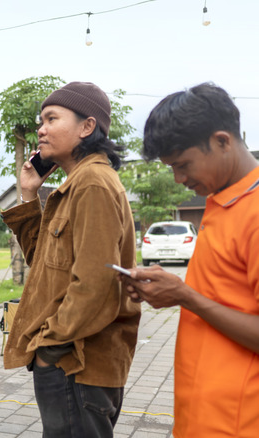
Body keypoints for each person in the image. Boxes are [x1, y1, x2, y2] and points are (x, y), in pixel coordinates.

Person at [0, 81, 141, 437]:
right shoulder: (75, 185)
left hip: (77, 363)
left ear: (86, 127)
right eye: (40, 121)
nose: (41, 129)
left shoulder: (92, 183)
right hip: (72, 362)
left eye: (51, 119)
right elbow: (45, 265)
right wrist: (29, 193)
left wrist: (50, 344)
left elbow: (96, 283)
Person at [121, 83, 259, 437]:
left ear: (222, 141)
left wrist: (186, 296)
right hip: (201, 417)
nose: (179, 179)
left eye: (183, 165)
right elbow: (224, 295)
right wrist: (170, 291)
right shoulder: (223, 200)